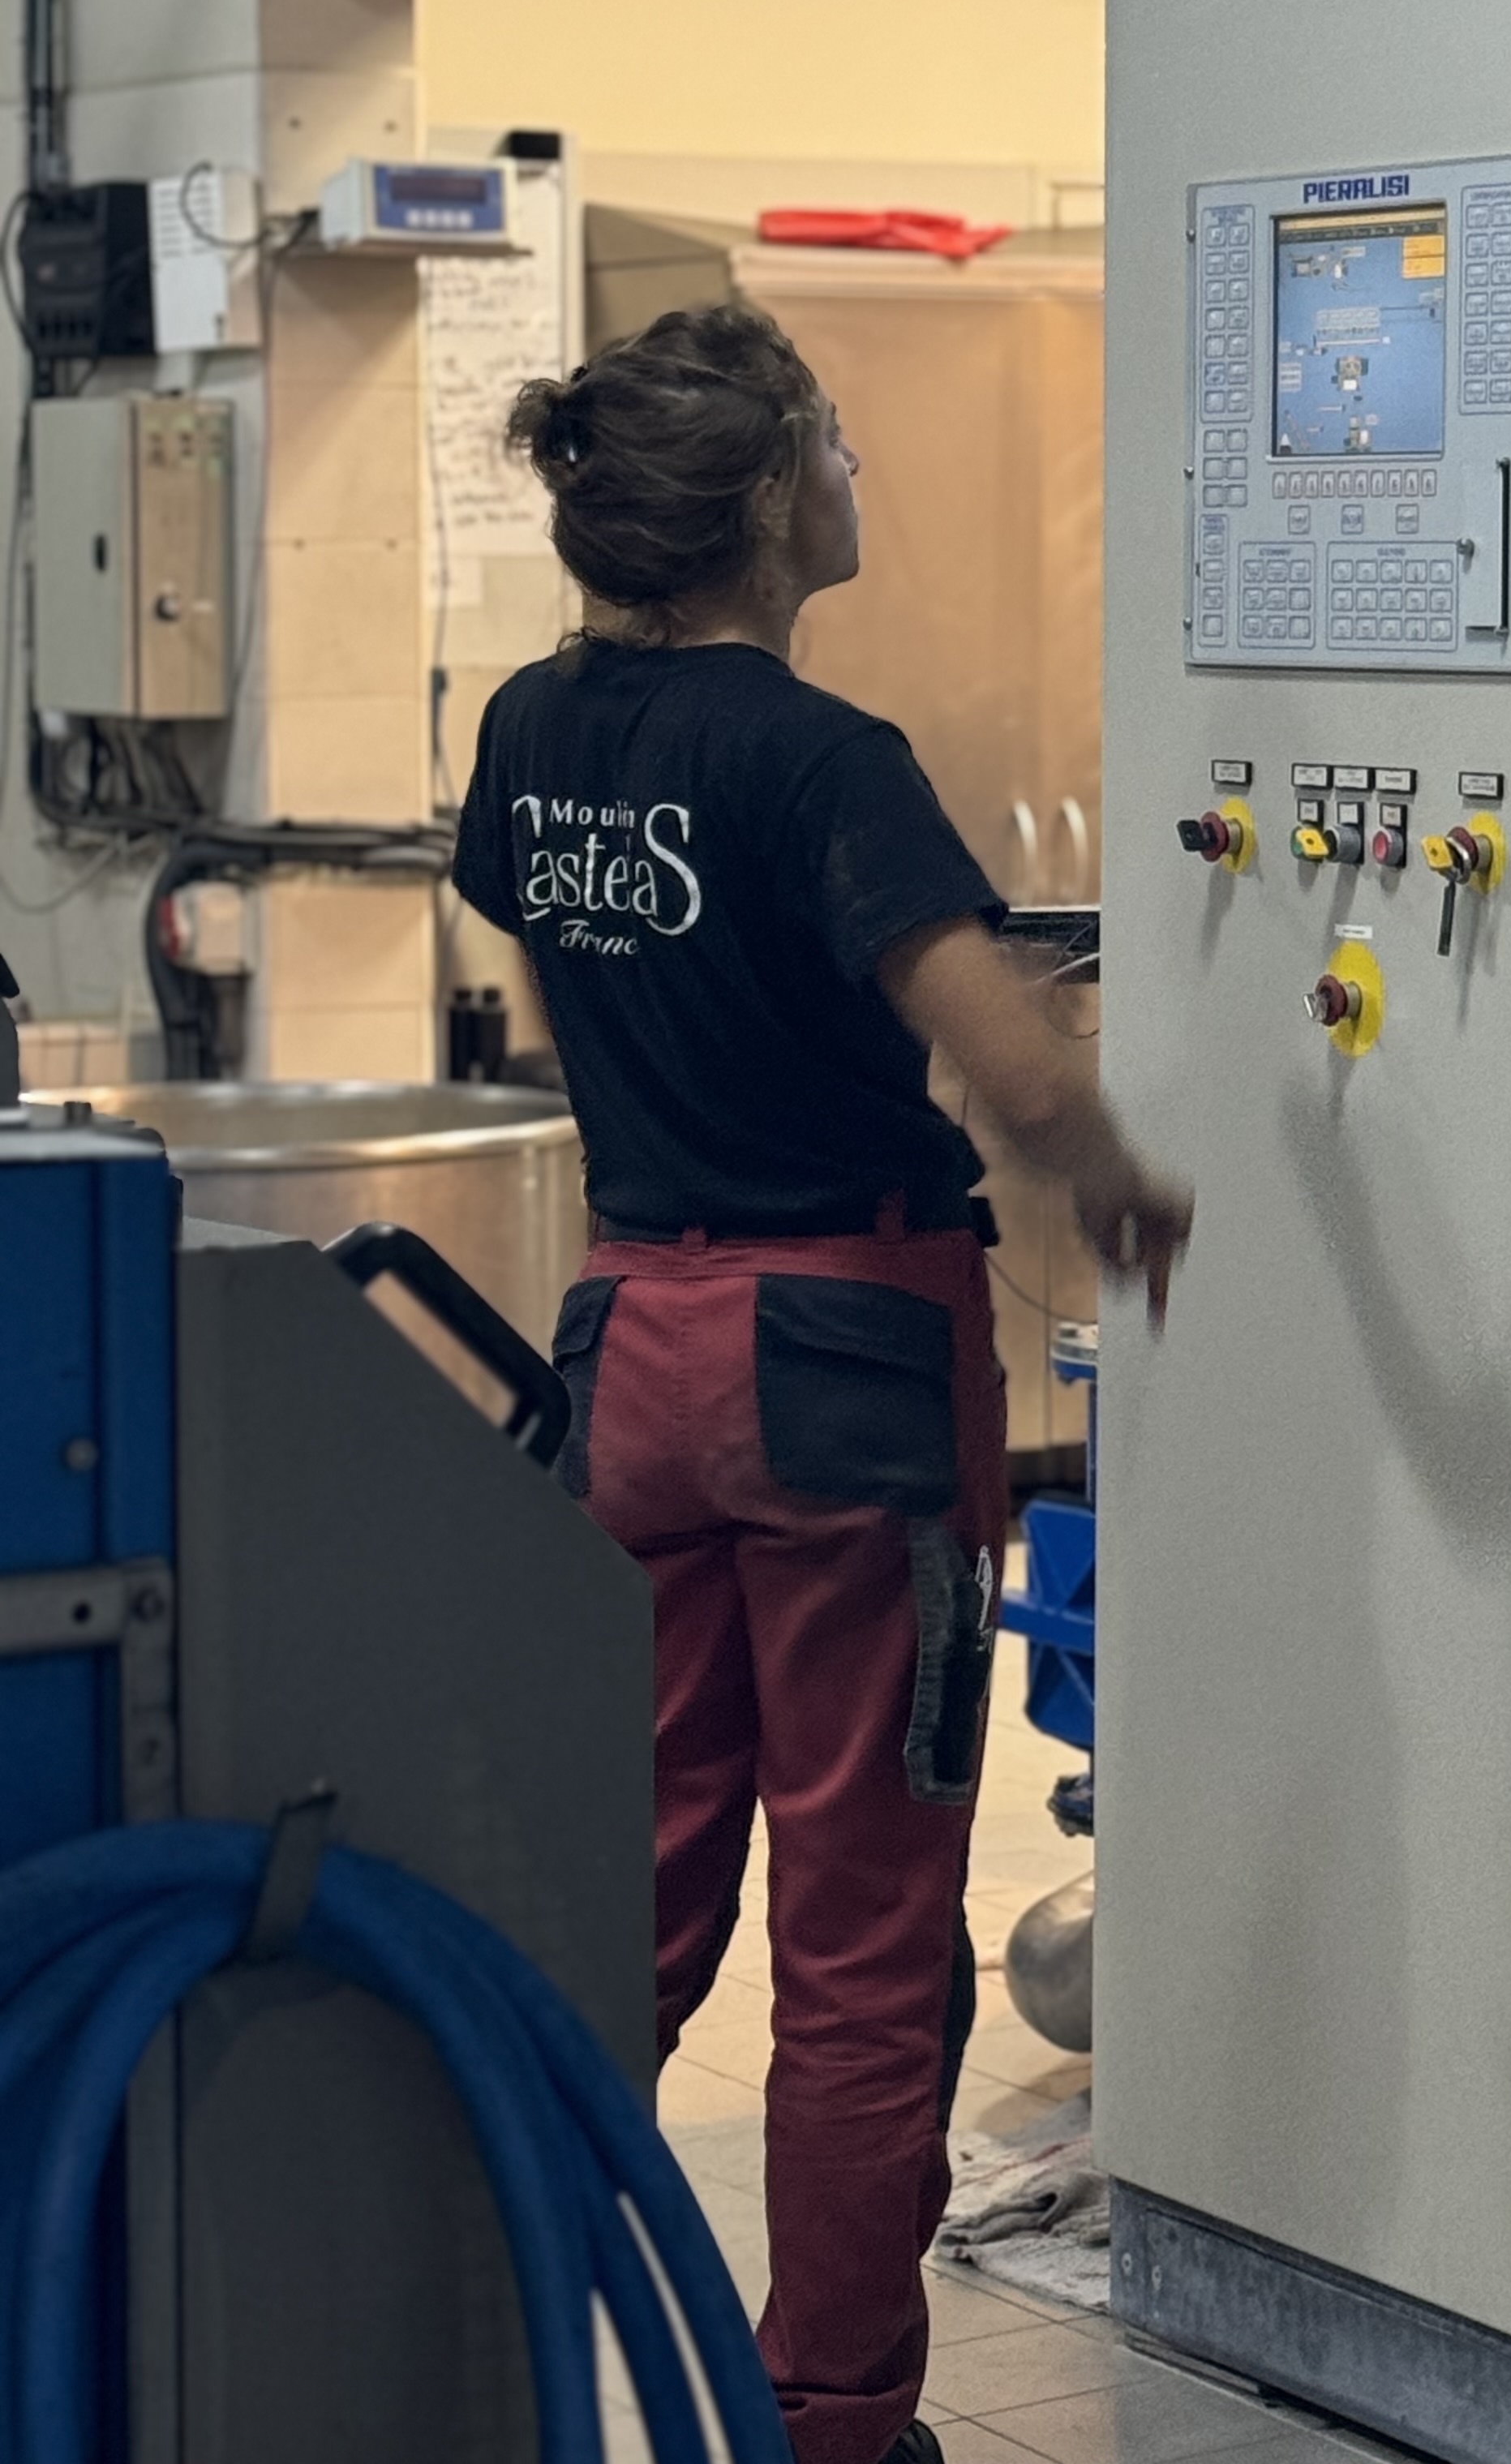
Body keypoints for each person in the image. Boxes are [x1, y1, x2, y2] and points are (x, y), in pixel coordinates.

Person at [449, 302, 1192, 2464]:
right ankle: (836, 2426)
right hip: (847, 1363)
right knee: (866, 1942)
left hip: (632, 1348)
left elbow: (576, 966)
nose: (860, 477)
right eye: (840, 446)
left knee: (631, 1891)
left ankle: (485, 2343)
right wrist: (1132, 1185)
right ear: (773, 496)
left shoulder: (529, 725)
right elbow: (1010, 1060)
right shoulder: (818, 757)